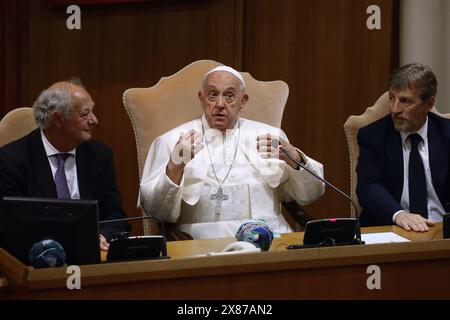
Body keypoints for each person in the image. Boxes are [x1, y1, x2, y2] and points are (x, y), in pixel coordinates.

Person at [139, 65, 325, 239]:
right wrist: (175, 167)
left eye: (229, 96)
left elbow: (311, 194)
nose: (220, 104)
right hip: (202, 244)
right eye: (212, 95)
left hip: (270, 239)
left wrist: (296, 159)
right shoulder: (172, 141)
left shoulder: (271, 137)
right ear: (201, 98)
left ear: (242, 102)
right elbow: (155, 211)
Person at [0, 79, 130, 250]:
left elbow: (116, 218)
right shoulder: (11, 160)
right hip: (39, 263)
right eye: (85, 114)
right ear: (58, 119)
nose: (94, 120)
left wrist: (100, 237)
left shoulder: (99, 156)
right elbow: (10, 228)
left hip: (94, 261)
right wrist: (70, 240)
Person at [356, 63, 450, 232]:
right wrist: (398, 214)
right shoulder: (373, 136)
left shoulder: (447, 134)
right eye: (392, 98)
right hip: (392, 228)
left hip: (443, 231)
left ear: (429, 104)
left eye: (405, 101)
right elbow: (368, 186)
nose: (395, 109)